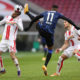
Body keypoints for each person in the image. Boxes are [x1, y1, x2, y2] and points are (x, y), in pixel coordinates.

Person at [24, 4, 80, 76]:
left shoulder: (75, 29)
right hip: (53, 36)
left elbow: (35, 19)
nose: (64, 23)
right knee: (58, 56)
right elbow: (66, 44)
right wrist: (60, 49)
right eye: (64, 22)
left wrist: (28, 27)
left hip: (78, 45)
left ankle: (27, 13)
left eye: (65, 22)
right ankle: (55, 72)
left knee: (37, 21)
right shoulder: (66, 33)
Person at [0, 5, 23, 76]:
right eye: (16, 12)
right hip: (4, 40)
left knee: (12, 56)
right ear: (14, 11)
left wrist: (15, 23)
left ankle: (18, 70)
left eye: (18, 12)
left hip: (11, 40)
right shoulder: (7, 17)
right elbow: (1, 23)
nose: (17, 13)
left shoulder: (18, 20)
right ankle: (2, 69)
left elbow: (21, 29)